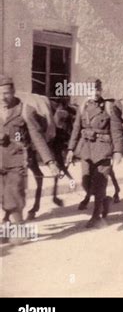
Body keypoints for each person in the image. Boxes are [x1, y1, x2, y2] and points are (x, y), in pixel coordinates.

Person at [0, 75, 59, 242]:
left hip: (18, 160)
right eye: (0, 94)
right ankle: (11, 226)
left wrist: (50, 162)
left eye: (6, 93)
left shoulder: (25, 109)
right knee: (3, 196)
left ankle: (19, 229)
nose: (3, 97)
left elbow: (37, 137)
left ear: (13, 92)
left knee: (14, 194)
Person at [66, 78, 123, 228]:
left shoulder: (109, 107)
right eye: (92, 90)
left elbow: (116, 131)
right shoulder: (82, 107)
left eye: (98, 89)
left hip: (103, 149)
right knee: (86, 182)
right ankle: (105, 200)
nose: (95, 93)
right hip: (85, 149)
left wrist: (118, 151)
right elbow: (76, 129)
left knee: (99, 183)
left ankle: (96, 216)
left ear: (101, 90)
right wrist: (71, 149)